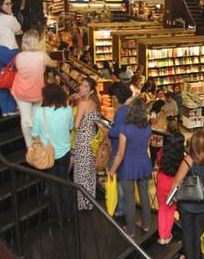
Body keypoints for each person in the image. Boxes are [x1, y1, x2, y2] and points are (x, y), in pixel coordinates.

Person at [171, 129, 204, 259]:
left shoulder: (188, 160)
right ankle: (198, 258)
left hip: (187, 203)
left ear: (192, 143)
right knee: (198, 230)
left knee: (187, 230)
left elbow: (177, 181)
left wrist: (171, 196)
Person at [108, 98, 153, 238]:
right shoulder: (147, 127)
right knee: (144, 195)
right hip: (144, 164)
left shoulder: (125, 129)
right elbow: (147, 149)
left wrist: (112, 170)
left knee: (129, 200)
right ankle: (146, 224)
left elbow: (120, 154)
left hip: (128, 166)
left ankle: (131, 231)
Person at [31, 84, 74, 221]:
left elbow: (34, 133)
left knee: (53, 185)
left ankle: (58, 218)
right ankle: (68, 215)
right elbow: (71, 127)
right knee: (65, 181)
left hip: (48, 154)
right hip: (65, 152)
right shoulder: (68, 110)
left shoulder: (39, 112)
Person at [11, 29, 56, 147]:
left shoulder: (19, 56)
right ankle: (39, 141)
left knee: (25, 118)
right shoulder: (42, 56)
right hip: (37, 92)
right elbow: (53, 63)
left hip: (21, 91)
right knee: (37, 117)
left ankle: (29, 146)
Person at [71, 77, 101, 211]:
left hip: (83, 139)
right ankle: (90, 201)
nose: (81, 88)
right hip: (92, 138)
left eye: (85, 87)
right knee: (89, 171)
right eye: (81, 85)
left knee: (81, 172)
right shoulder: (94, 103)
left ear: (90, 90)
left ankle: (83, 203)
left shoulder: (82, 103)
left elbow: (76, 125)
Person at [107, 82, 132, 219]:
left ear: (117, 97)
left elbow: (118, 131)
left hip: (118, 151)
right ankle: (125, 207)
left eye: (113, 97)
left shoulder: (121, 111)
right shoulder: (129, 108)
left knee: (119, 181)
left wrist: (109, 130)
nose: (112, 100)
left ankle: (122, 208)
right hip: (127, 150)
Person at [156, 132, 184, 245]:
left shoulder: (162, 153)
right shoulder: (182, 157)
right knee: (171, 210)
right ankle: (168, 234)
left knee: (162, 209)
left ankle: (162, 236)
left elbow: (158, 164)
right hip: (174, 186)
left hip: (162, 182)